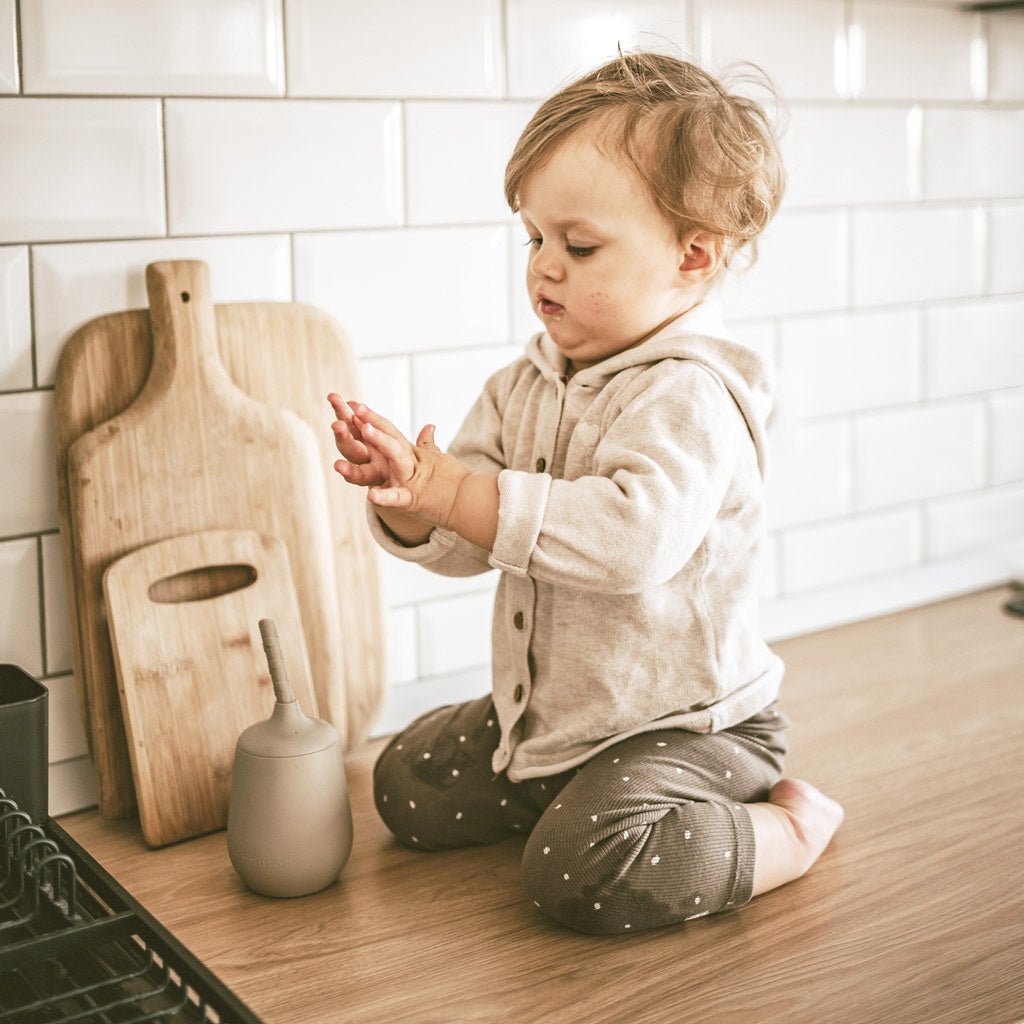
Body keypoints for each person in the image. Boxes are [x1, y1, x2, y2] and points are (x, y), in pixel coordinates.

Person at [328, 50, 843, 935]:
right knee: (401, 783)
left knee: (575, 880)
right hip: (562, 716)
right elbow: (466, 537)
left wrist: (460, 489)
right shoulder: (521, 385)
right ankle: (572, 790)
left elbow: (631, 543)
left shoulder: (688, 394)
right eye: (533, 238)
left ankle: (785, 827)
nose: (544, 268)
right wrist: (415, 501)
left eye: (579, 245)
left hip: (689, 726)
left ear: (692, 255)